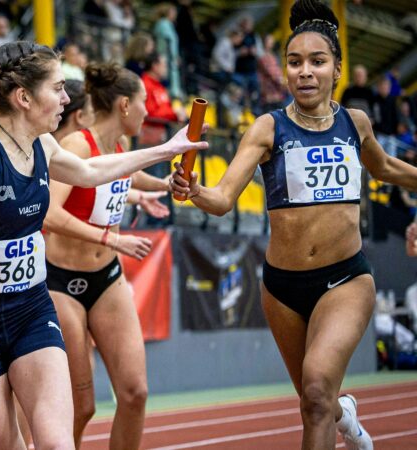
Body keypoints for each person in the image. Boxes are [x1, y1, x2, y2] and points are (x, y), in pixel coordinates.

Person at [0, 41, 207, 448]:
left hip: (30, 308)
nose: (66, 98)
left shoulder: (40, 143)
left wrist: (168, 150)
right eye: (58, 88)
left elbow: (89, 172)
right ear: (23, 97)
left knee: (57, 443)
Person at [170, 1, 417, 449]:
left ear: (336, 70)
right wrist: (194, 191)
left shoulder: (354, 122)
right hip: (282, 286)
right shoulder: (268, 128)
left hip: (345, 278)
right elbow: (223, 198)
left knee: (319, 389)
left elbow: (386, 170)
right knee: (313, 400)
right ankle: (350, 422)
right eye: (294, 62)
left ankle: (340, 416)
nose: (305, 71)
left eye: (317, 62)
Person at [44, 62, 170, 449]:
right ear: (124, 106)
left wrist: (161, 185)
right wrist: (111, 239)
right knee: (81, 407)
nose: (149, 111)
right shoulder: (77, 146)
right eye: (144, 102)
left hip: (107, 279)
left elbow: (123, 176)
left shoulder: (120, 146)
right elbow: (49, 213)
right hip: (61, 282)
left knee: (135, 394)